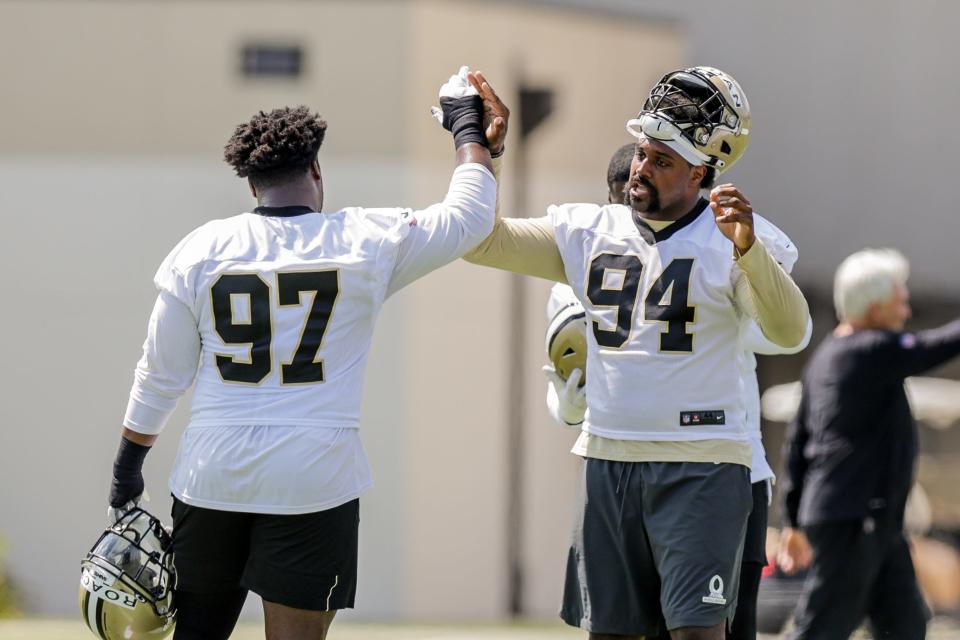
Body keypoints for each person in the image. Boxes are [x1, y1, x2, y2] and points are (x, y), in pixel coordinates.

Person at [104, 67, 496, 640]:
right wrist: (468, 129)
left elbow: (160, 376)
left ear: (251, 186)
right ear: (315, 169)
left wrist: (125, 472)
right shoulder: (364, 239)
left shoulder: (202, 247)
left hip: (214, 471)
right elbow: (469, 216)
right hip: (315, 472)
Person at [463, 67, 809, 640]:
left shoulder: (736, 239)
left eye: (662, 160)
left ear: (701, 172)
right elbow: (478, 241)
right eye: (644, 153)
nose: (641, 169)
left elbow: (790, 331)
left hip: (704, 462)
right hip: (606, 459)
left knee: (698, 632)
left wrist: (748, 252)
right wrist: (481, 152)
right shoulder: (588, 228)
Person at [542, 144, 812, 640]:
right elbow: (568, 398)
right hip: (632, 463)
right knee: (620, 626)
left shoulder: (713, 251)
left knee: (715, 629)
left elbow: (780, 326)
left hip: (726, 466)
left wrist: (738, 252)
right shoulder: (585, 270)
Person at [778, 248, 960, 639]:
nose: (907, 311)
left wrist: (792, 519)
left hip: (872, 521)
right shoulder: (869, 350)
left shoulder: (826, 357)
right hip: (854, 518)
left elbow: (796, 444)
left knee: (905, 625)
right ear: (875, 308)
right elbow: (939, 345)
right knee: (822, 627)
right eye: (900, 301)